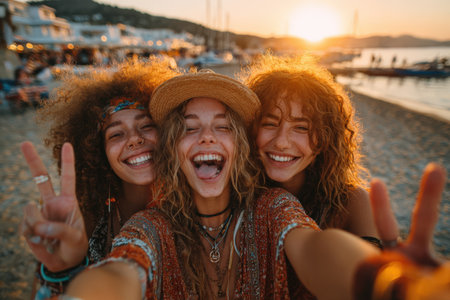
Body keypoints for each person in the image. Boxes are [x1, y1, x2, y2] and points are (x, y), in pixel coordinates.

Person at [59, 71, 447, 300]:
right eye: (190, 128)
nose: (207, 137)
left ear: (240, 146)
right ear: (173, 149)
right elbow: (122, 269)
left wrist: (387, 281)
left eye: (224, 127)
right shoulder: (151, 225)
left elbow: (316, 245)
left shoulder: (272, 209)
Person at [20, 59, 181, 298]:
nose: (134, 139)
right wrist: (60, 269)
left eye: (146, 126)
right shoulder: (85, 216)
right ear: (98, 152)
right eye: (116, 133)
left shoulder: (188, 208)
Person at [241, 54, 378, 243]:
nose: (281, 142)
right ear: (250, 130)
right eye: (270, 124)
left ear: (325, 139)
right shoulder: (234, 195)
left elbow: (370, 268)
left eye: (301, 128)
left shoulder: (351, 203)